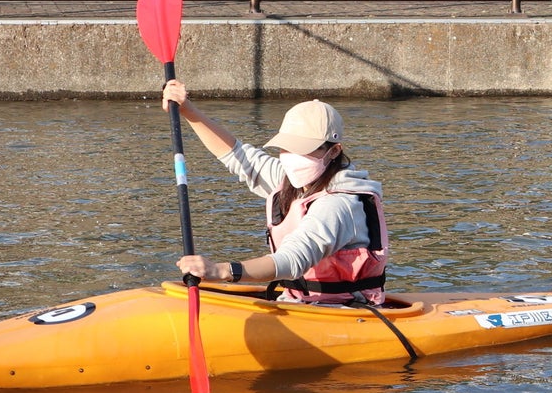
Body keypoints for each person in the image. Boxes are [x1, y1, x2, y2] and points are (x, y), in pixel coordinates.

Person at [161, 82, 388, 305]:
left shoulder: (339, 205)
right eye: (286, 147)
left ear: (334, 151)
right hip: (298, 301)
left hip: (344, 310)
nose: (291, 156)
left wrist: (220, 270)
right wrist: (188, 110)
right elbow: (238, 155)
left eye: (303, 149)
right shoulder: (294, 180)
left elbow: (292, 260)